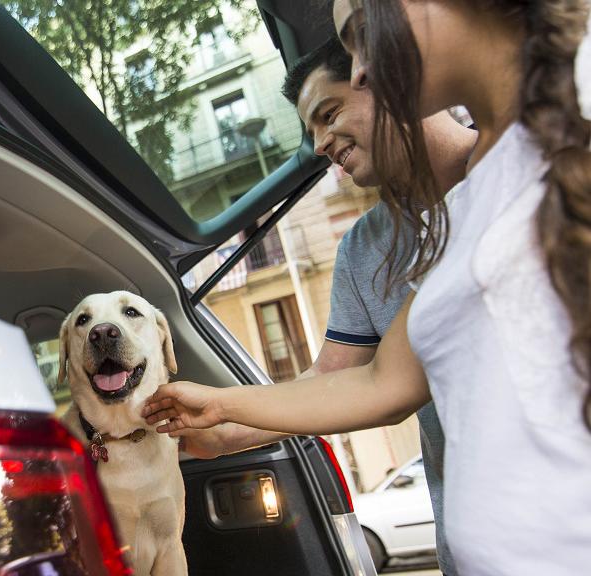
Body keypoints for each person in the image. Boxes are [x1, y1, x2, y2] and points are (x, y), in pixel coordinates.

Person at [145, 1, 591, 573]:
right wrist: (220, 412)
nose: (361, 68)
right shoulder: (469, 203)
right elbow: (381, 381)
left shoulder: (555, 150)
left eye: (362, 36)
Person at [181, 34, 474, 575]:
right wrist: (218, 432)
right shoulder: (364, 248)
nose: (318, 145)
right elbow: (357, 383)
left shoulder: (524, 166)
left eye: (328, 112)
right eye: (309, 129)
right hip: (475, 549)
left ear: (386, 78)